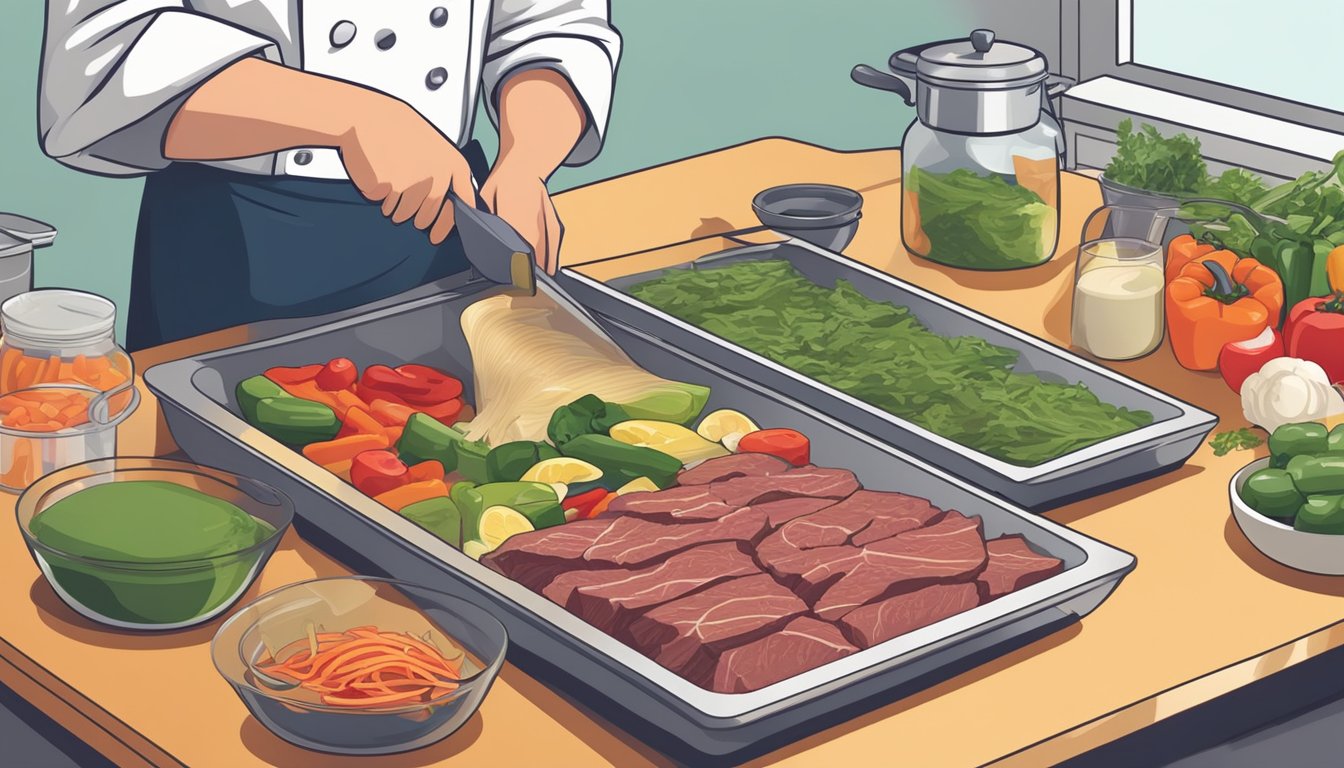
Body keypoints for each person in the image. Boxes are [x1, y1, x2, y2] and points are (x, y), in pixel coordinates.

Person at [38, 1, 621, 350]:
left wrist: (525, 161)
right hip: (240, 242)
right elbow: (102, 64)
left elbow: (550, 24)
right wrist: (351, 116)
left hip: (452, 222)